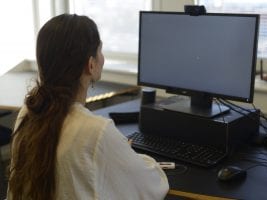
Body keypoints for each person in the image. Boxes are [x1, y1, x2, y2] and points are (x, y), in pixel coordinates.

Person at [7, 14, 169, 200]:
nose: (103, 58)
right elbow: (150, 186)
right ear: (91, 65)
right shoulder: (96, 131)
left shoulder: (28, 112)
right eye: (100, 51)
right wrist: (126, 154)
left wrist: (113, 151)